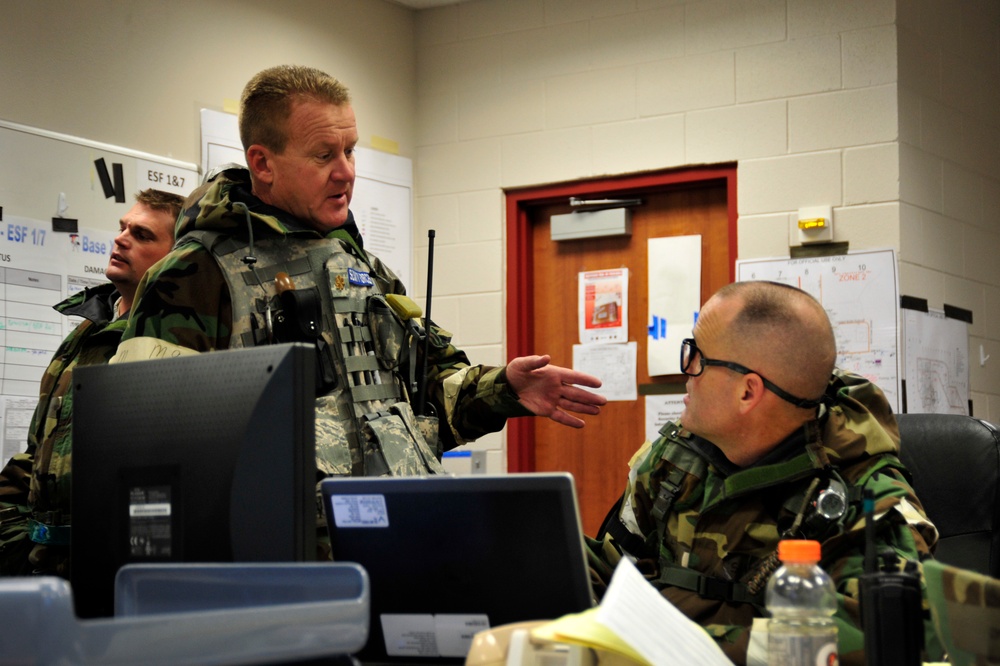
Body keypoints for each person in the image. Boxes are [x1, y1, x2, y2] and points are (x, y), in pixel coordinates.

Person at [114, 64, 606, 480]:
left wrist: (506, 389)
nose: (346, 171)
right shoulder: (197, 274)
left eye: (350, 151)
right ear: (262, 163)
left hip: (397, 538)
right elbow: (144, 447)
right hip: (285, 561)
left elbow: (432, 396)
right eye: (324, 155)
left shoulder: (364, 270)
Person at [587, 280, 944, 665]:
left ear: (748, 391)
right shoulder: (673, 459)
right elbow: (614, 567)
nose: (687, 371)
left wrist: (683, 645)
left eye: (698, 358)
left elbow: (892, 640)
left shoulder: (867, 499)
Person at [0, 188, 184, 576]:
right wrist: (16, 546)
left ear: (177, 257)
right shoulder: (85, 331)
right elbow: (37, 454)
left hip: (113, 568)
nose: (121, 238)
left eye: (143, 234)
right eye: (123, 227)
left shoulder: (173, 341)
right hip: (43, 565)